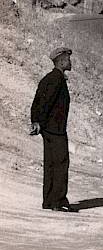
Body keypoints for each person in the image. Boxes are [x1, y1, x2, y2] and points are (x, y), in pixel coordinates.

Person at [30, 45, 77, 213]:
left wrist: (36, 121)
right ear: (62, 61)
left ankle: (49, 201)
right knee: (60, 164)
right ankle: (59, 201)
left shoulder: (50, 78)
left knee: (50, 164)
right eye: (68, 59)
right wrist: (38, 121)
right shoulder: (56, 79)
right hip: (55, 129)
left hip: (48, 129)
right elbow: (45, 102)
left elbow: (37, 101)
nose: (70, 62)